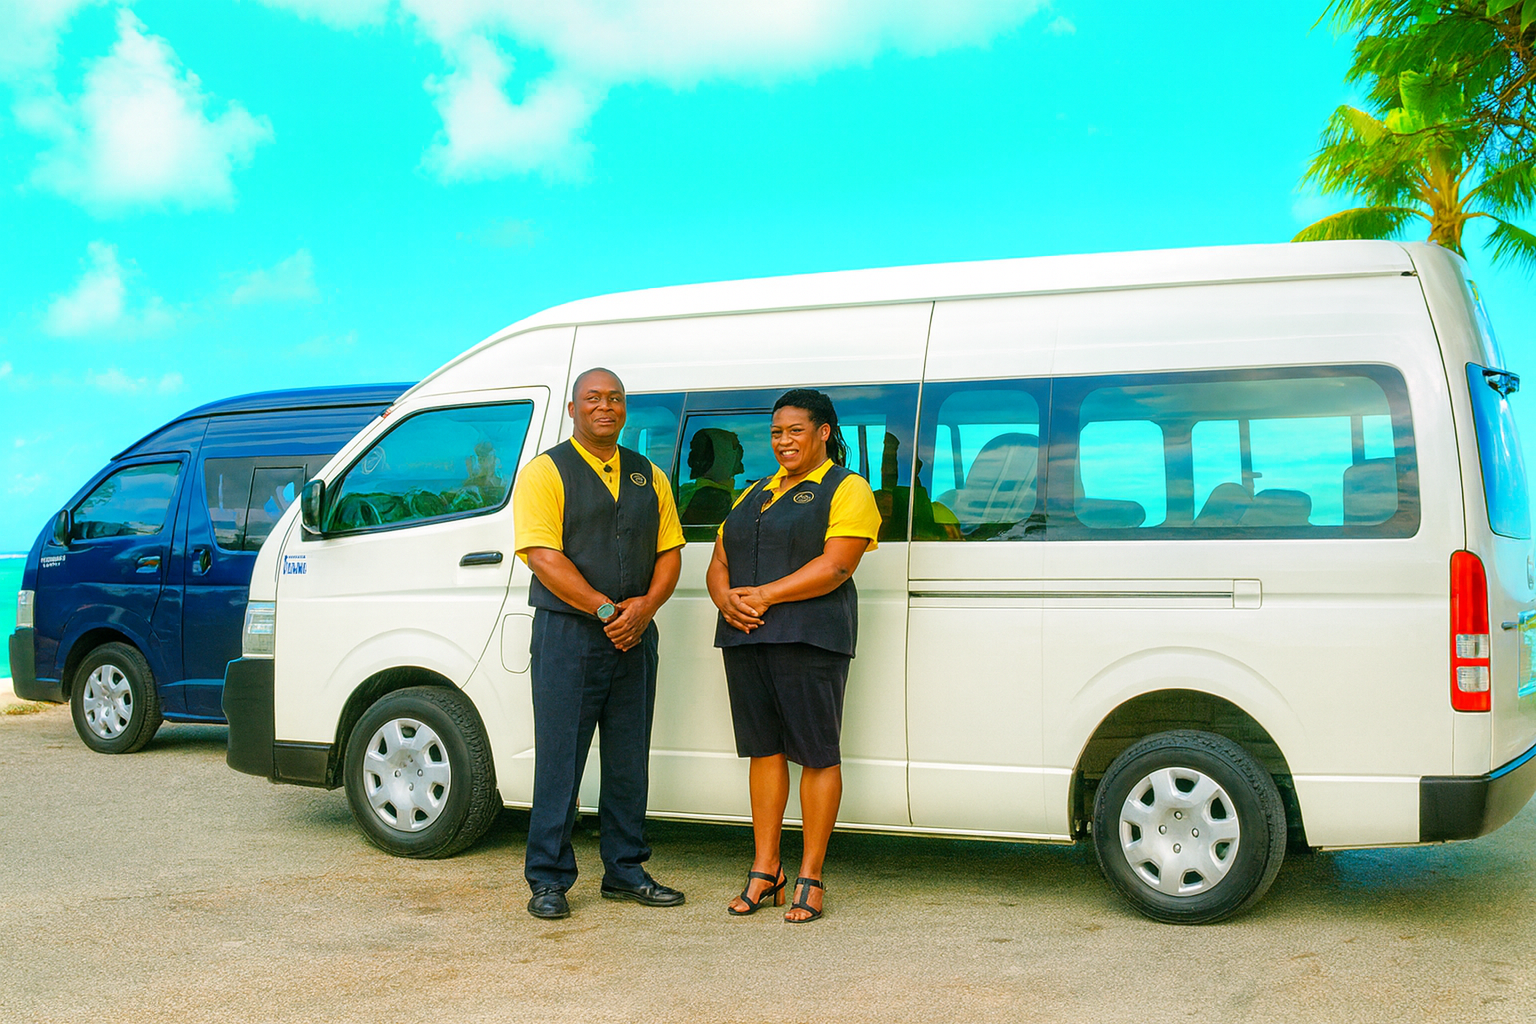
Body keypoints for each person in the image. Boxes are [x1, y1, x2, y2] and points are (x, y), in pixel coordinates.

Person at [512, 367, 687, 920]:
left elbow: (670, 552)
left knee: (629, 757)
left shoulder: (649, 475)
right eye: (593, 399)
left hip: (636, 632)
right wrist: (607, 609)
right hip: (569, 634)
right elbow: (543, 555)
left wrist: (644, 609)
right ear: (572, 409)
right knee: (561, 756)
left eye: (614, 399)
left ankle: (626, 870)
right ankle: (549, 878)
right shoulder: (546, 473)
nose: (605, 407)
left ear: (625, 409)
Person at [705, 388, 881, 923]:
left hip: (810, 637)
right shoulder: (753, 491)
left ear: (823, 432)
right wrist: (724, 598)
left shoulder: (848, 489)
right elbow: (720, 557)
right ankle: (766, 871)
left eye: (795, 431)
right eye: (777, 432)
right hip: (745, 638)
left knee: (818, 755)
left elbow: (837, 566)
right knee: (764, 752)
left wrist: (763, 595)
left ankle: (810, 874)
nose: (784, 441)